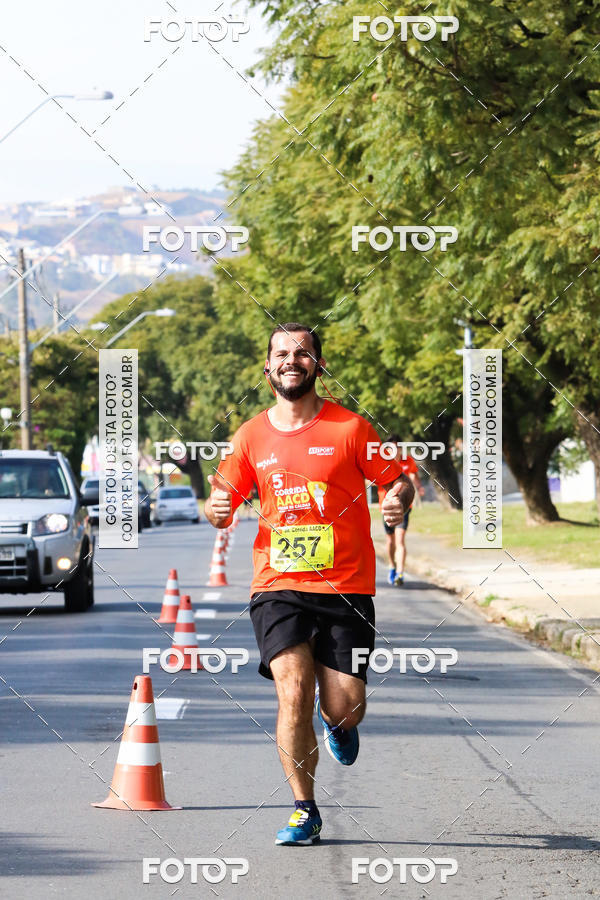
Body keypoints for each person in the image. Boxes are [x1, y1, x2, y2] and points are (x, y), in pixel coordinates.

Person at [205, 323, 414, 846]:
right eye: (281, 354)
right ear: (268, 366)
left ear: (318, 364)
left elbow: (398, 478)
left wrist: (397, 499)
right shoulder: (251, 434)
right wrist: (217, 507)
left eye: (302, 353)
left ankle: (340, 724)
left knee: (344, 704)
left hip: (346, 586)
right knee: (292, 690)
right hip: (278, 584)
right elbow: (223, 496)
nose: (291, 360)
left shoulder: (350, 428)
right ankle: (304, 808)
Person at [378, 434, 425, 586]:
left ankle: (400, 572)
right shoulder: (380, 462)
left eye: (398, 447)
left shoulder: (408, 461)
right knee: (390, 541)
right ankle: (392, 566)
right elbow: (368, 478)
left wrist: (418, 486)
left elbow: (414, 475)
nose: (395, 451)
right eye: (391, 448)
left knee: (400, 540)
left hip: (404, 507)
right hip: (385, 507)